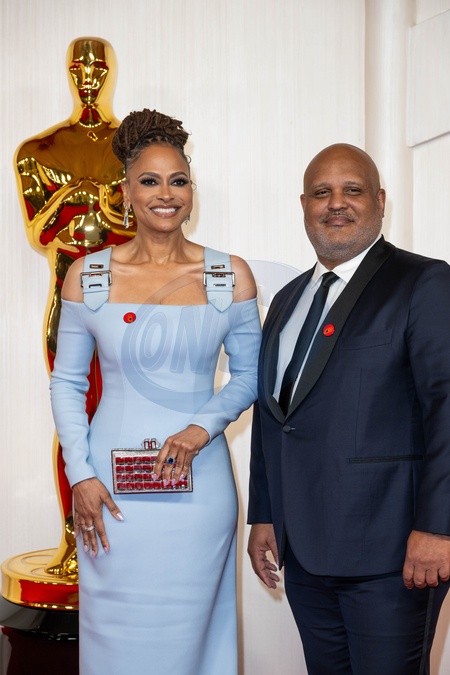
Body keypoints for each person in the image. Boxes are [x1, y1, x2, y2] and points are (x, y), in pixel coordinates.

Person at [50, 108, 261, 675]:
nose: (165, 194)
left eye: (178, 180)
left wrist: (200, 428)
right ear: (126, 192)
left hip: (199, 490)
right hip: (108, 492)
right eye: (149, 180)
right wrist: (80, 475)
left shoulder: (228, 275)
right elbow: (67, 382)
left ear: (192, 191)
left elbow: (250, 375)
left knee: (194, 636)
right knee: (115, 639)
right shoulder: (88, 276)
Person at [247, 143, 450, 674]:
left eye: (352, 190)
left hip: (393, 555)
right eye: (322, 192)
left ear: (379, 200)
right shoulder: (287, 300)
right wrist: (265, 512)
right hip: (303, 550)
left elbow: (447, 409)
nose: (336, 203)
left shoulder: (424, 282)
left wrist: (439, 528)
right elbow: (275, 416)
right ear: (304, 205)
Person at [15, 36, 132, 577]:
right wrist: (76, 195)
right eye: (79, 67)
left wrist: (97, 209)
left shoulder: (134, 147)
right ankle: (72, 540)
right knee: (73, 419)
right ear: (67, 73)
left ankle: (122, 537)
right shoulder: (37, 151)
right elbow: (41, 233)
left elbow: (145, 228)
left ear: (109, 72)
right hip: (68, 300)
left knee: (128, 416)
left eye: (97, 67)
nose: (88, 76)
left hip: (129, 302)